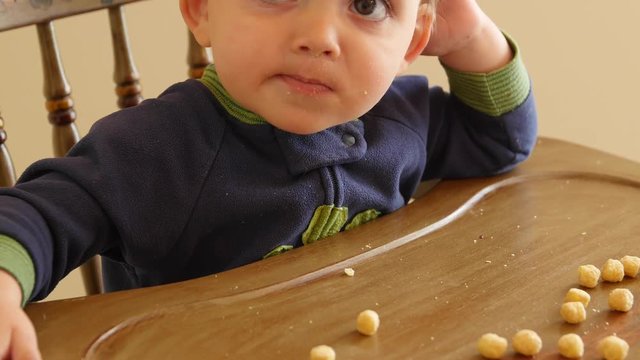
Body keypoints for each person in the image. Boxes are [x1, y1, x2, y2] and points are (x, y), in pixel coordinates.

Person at [0, 0, 537, 358]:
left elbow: (501, 140)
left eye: (368, 4)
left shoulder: (402, 121)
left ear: (413, 37)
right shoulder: (159, 151)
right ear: (202, 8)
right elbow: (43, 215)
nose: (320, 37)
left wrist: (473, 39)